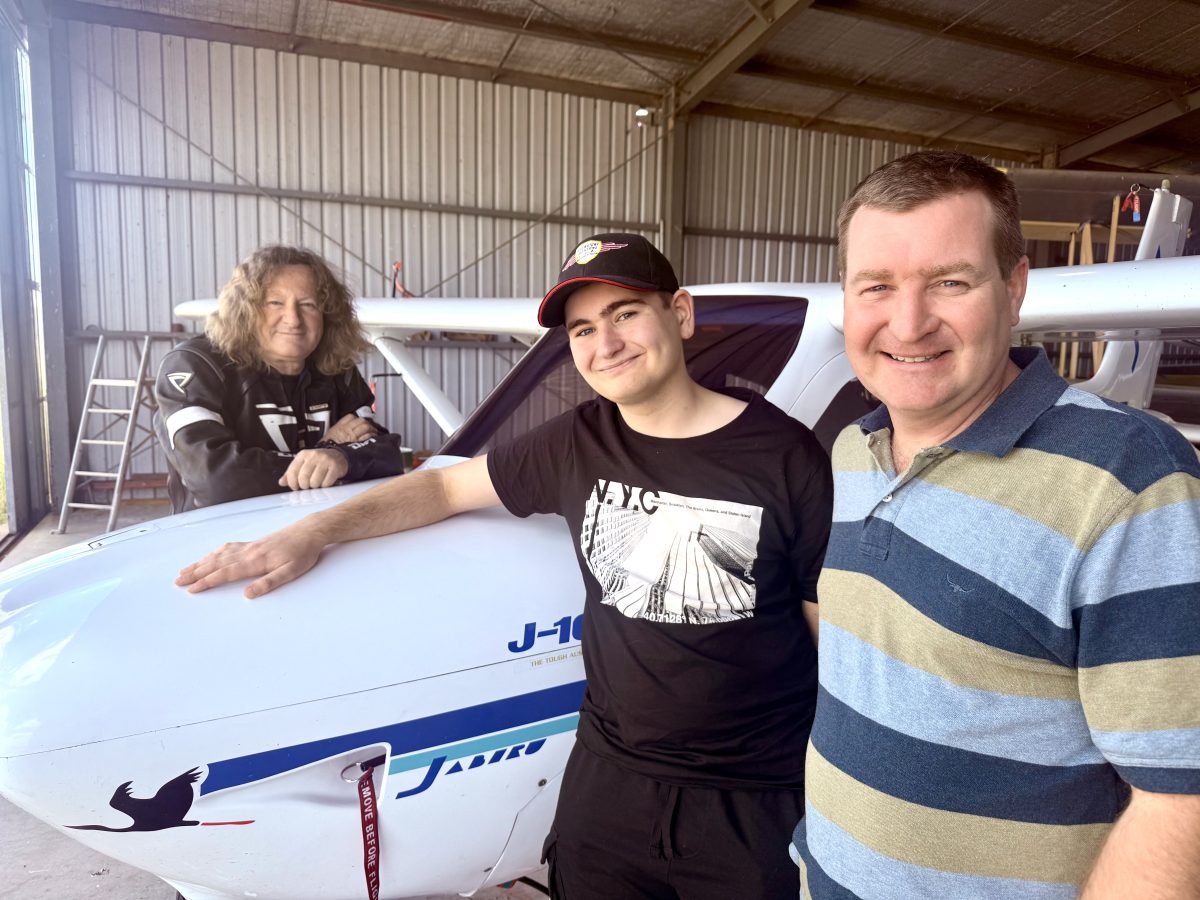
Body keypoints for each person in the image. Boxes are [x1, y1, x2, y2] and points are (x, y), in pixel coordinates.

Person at [177, 233, 833, 900]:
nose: (605, 344)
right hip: (611, 785)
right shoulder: (579, 441)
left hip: (753, 795)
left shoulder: (786, 457)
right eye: (583, 329)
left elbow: (828, 640)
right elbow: (442, 487)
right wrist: (311, 532)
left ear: (681, 314)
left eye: (626, 314)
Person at [791, 150, 1200, 899]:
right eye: (876, 285)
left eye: (951, 282)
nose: (909, 322)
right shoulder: (853, 450)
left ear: (1014, 290)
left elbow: (1183, 801)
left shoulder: (1128, 481)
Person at [154, 245, 405, 512]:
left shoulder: (336, 368)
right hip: (224, 534)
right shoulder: (196, 364)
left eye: (308, 304)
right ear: (245, 309)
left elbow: (388, 457)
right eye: (275, 303)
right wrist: (326, 453)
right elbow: (218, 480)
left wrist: (338, 458)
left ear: (328, 315)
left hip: (318, 528)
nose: (293, 319)